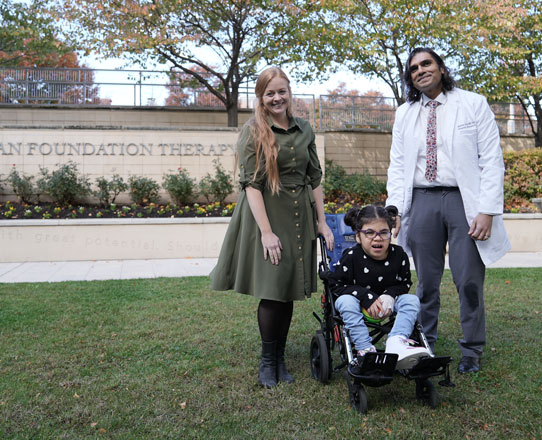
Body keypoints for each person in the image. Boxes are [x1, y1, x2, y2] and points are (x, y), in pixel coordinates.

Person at [386, 47, 511, 374]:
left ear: (440, 68)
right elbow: (398, 165)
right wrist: (394, 208)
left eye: (426, 64)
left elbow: (492, 160)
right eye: (413, 68)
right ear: (410, 77)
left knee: (468, 279)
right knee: (426, 282)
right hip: (423, 201)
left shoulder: (473, 103)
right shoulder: (405, 113)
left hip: (463, 202)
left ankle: (472, 349)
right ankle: (425, 343)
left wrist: (487, 210)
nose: (420, 71)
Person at [210, 67, 334, 388]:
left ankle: (279, 358)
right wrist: (266, 232)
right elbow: (251, 185)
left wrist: (322, 221)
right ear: (261, 98)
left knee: (288, 289)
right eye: (270, 93)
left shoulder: (305, 129)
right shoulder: (253, 131)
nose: (277, 98)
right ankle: (268, 362)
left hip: (300, 215)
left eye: (282, 91)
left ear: (290, 92)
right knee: (273, 289)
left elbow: (315, 179)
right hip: (266, 214)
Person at [325, 205, 431, 371]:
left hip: (387, 303)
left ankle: (397, 341)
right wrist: (366, 296)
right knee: (345, 301)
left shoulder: (399, 255)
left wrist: (389, 295)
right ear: (358, 237)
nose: (377, 238)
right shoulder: (352, 256)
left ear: (390, 233)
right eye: (369, 233)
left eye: (384, 232)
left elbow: (404, 283)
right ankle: (365, 349)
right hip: (356, 302)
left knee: (411, 300)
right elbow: (336, 285)